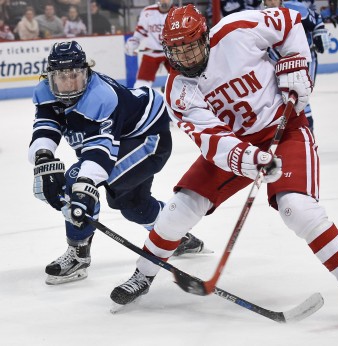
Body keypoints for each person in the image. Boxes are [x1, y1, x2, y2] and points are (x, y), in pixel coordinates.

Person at [109, 5, 338, 328]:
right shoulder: (178, 90)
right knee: (178, 210)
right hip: (235, 149)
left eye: (191, 46)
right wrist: (250, 160)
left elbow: (288, 22)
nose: (185, 57)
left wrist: (294, 61)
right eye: (177, 51)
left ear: (205, 38)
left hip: (284, 131)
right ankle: (143, 275)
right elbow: (213, 142)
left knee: (296, 209)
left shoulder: (236, 31)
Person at [28, 40, 207, 286]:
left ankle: (79, 255)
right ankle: (175, 234)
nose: (69, 84)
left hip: (149, 138)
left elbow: (100, 152)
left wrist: (83, 186)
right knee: (132, 204)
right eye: (62, 77)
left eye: (75, 76)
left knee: (75, 183)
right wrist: (43, 158)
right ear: (49, 76)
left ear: (86, 72)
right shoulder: (45, 91)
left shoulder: (101, 96)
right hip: (125, 139)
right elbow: (47, 125)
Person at [265, 0, 330, 133]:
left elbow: (316, 20)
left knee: (300, 97)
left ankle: (306, 132)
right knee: (279, 99)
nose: (271, 1)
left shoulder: (296, 9)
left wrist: (320, 32)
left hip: (303, 60)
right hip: (277, 60)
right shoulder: (260, 15)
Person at [124, 0, 173, 89]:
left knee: (181, 78)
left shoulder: (177, 12)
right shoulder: (148, 11)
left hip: (172, 53)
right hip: (151, 51)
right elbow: (140, 31)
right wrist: (133, 42)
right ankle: (141, 100)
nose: (164, 1)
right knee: (142, 83)